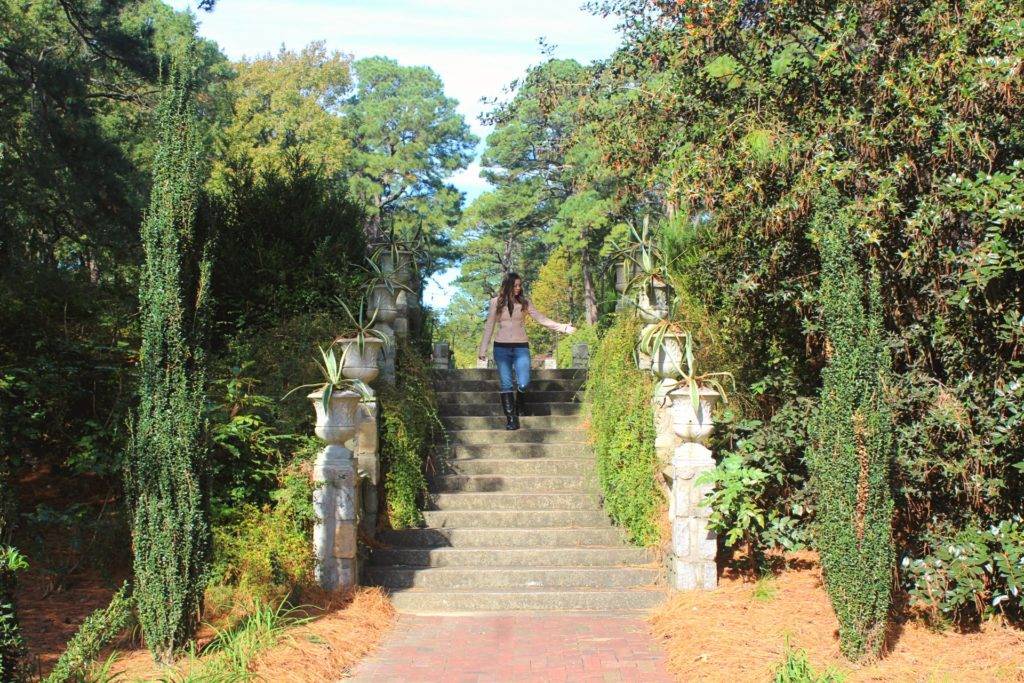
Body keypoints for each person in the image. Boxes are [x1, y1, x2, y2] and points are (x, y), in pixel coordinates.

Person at [478, 272, 576, 430]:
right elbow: (489, 325)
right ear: (508, 285)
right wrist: (483, 349)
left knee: (524, 383)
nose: (518, 288)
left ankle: (519, 402)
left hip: (521, 347)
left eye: (519, 285)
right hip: (501, 348)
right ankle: (511, 419)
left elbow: (542, 319)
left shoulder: (524, 303)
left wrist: (563, 327)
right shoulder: (496, 302)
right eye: (515, 285)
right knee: (506, 383)